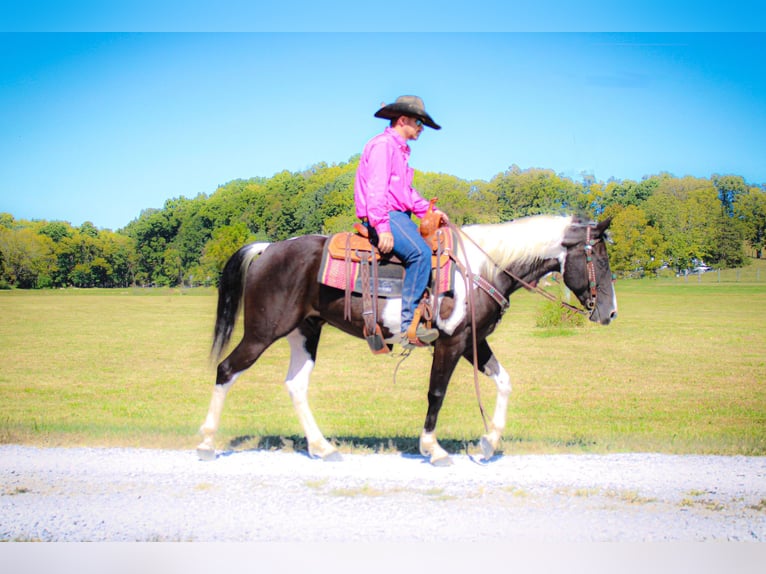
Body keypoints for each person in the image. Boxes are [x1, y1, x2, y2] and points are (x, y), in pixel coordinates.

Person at [354, 95, 449, 348]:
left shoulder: (400, 150)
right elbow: (376, 190)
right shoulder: (383, 146)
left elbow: (406, 194)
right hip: (386, 214)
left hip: (397, 213)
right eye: (418, 122)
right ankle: (407, 326)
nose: (421, 128)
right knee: (419, 253)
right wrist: (382, 227)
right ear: (403, 120)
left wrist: (432, 212)